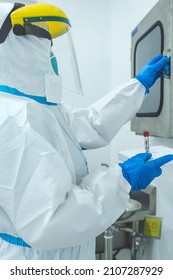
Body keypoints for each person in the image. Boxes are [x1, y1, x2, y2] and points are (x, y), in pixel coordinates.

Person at [0, 2, 172, 260]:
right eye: (42, 37)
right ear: (14, 47)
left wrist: (139, 85)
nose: (49, 52)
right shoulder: (16, 119)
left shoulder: (39, 109)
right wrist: (122, 179)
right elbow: (51, 220)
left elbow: (91, 123)